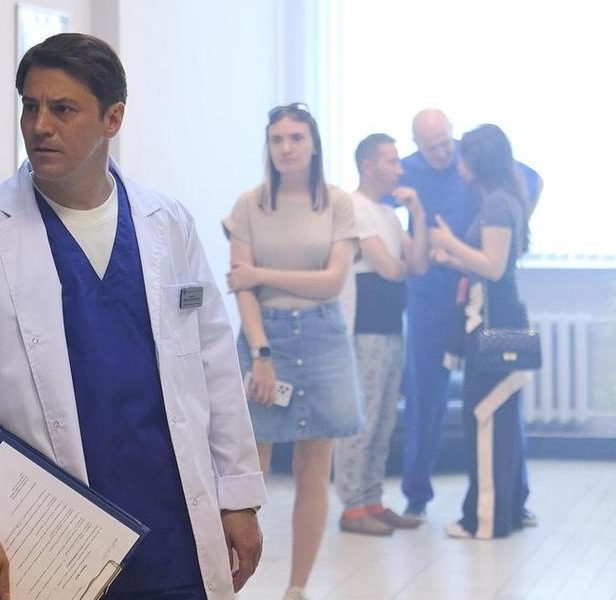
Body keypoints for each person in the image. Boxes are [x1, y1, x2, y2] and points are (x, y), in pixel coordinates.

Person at [0, 33, 266, 600]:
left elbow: (214, 365)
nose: (39, 126)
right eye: (30, 107)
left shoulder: (167, 222)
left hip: (174, 517)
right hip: (52, 527)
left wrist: (238, 496)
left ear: (113, 119)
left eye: (62, 109)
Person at [223, 103, 360, 600]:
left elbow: (331, 282)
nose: (286, 147)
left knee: (313, 472)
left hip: (323, 336)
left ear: (314, 144)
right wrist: (261, 354)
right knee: (248, 471)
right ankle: (228, 582)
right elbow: (242, 290)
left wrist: (261, 274)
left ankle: (297, 588)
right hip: (266, 337)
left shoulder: (338, 204)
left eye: (296, 138)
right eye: (277, 139)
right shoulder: (249, 205)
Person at [398, 109, 542, 521]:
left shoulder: (477, 158)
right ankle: (416, 494)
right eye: (432, 148)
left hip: (478, 295)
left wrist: (511, 234)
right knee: (425, 397)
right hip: (429, 298)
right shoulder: (407, 170)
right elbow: (371, 200)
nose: (444, 153)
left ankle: (515, 497)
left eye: (446, 143)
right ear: (417, 146)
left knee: (499, 400)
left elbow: (530, 181)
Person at [428, 124, 535, 539]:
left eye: (464, 156)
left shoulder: (495, 203)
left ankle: (485, 521)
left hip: (493, 322)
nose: (458, 163)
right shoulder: (503, 198)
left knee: (486, 422)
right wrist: (452, 257)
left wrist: (449, 242)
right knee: (495, 424)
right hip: (496, 314)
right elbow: (492, 266)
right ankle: (500, 513)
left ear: (479, 161)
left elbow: (492, 266)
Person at [333, 134, 429, 536]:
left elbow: (417, 264)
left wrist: (417, 214)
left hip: (390, 327)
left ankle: (372, 499)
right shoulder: (353, 207)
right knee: (364, 420)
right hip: (364, 330)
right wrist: (400, 267)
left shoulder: (389, 214)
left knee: (385, 419)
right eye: (392, 161)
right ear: (369, 166)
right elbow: (389, 268)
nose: (400, 169)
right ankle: (352, 506)